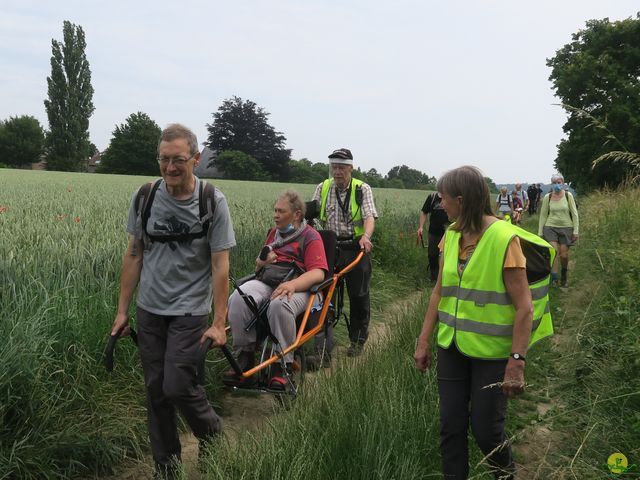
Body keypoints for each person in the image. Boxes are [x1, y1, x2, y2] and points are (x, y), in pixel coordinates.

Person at [110, 124, 236, 479]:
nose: (169, 168)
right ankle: (166, 468)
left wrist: (218, 320)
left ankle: (210, 431)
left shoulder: (212, 201)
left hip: (190, 310)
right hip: (150, 309)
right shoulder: (145, 196)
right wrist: (122, 311)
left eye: (178, 160)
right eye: (164, 159)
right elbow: (134, 254)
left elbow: (219, 264)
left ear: (195, 159)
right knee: (155, 390)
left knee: (177, 384)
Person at [414, 166, 554, 480]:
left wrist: (517, 361)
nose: (440, 203)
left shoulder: (505, 239)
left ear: (461, 200)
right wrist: (424, 340)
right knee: (451, 427)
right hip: (451, 347)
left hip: (492, 355)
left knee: (486, 431)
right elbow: (439, 292)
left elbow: (524, 309)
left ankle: (505, 476)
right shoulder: (450, 236)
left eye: (444, 198)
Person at [225, 190, 328, 389]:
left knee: (279, 305)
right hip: (269, 280)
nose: (275, 215)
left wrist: (292, 285)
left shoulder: (311, 236)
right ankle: (244, 358)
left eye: (281, 211)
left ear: (297, 214)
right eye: (275, 210)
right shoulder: (273, 233)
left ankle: (282, 366)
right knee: (238, 298)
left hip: (302, 288)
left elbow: (318, 274)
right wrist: (261, 262)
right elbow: (258, 267)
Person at [312, 148, 378, 357]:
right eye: (334, 167)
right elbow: (311, 215)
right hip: (329, 247)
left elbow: (369, 216)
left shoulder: (362, 189)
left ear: (351, 168)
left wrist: (366, 236)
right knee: (323, 294)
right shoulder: (323, 188)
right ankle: (323, 347)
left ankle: (357, 341)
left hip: (356, 247)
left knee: (358, 295)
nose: (337, 171)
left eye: (341, 167)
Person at [538, 173, 579, 287]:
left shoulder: (568, 195)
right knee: (554, 252)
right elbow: (543, 215)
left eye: (559, 182)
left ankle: (564, 274)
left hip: (566, 228)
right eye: (554, 183)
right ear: (552, 184)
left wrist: (576, 231)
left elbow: (574, 214)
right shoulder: (548, 197)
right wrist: (540, 232)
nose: (557, 185)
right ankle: (554, 278)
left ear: (563, 183)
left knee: (564, 255)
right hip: (550, 227)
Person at [417, 191, 450, 282]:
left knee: (448, 255)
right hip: (434, 232)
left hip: (449, 232)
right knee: (432, 255)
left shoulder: (451, 196)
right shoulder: (432, 197)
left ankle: (446, 278)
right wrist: (421, 227)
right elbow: (424, 212)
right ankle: (435, 278)